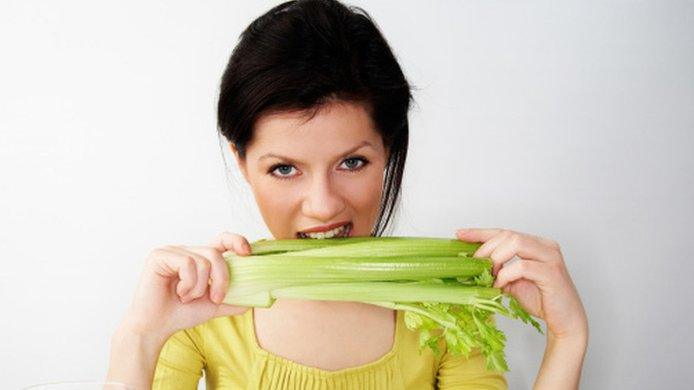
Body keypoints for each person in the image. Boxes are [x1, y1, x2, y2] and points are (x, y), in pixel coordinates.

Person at [106, 0, 588, 388]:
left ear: (390, 149)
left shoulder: (443, 309)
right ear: (242, 162)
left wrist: (568, 338)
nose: (323, 205)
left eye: (352, 162)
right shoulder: (200, 309)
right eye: (284, 168)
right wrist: (140, 337)